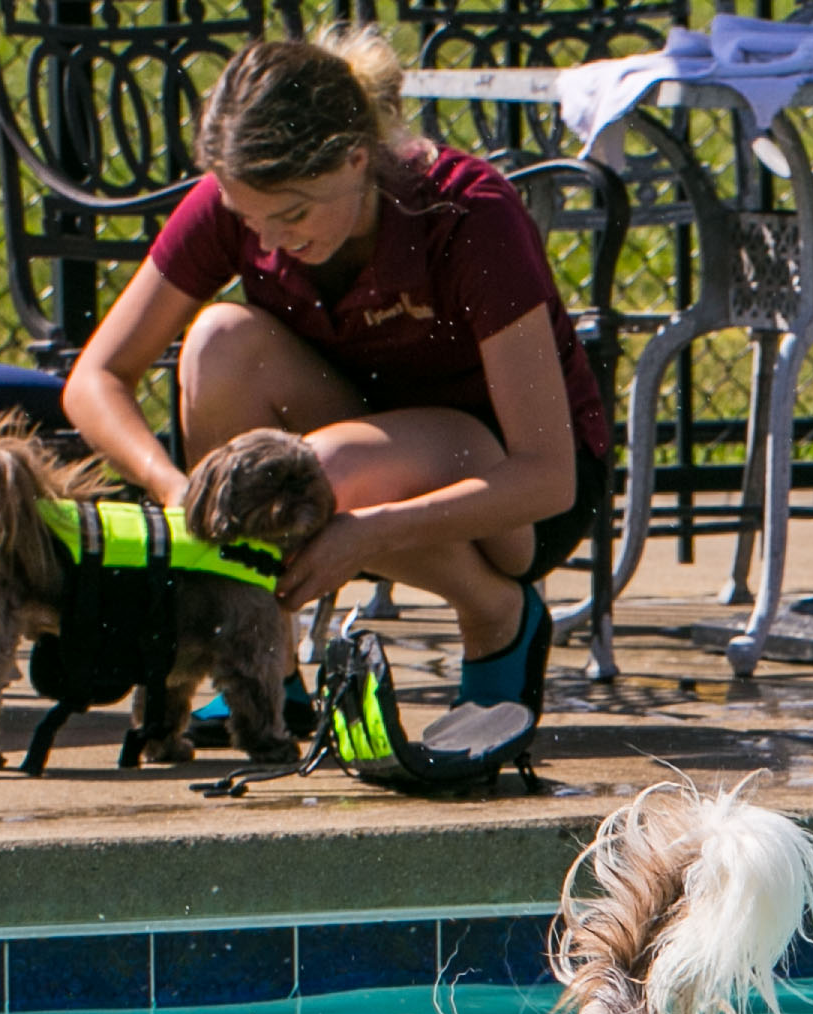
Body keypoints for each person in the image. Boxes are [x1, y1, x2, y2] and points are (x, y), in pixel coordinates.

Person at [60, 29, 610, 723]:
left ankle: (496, 611)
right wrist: (178, 491)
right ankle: (266, 667)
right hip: (358, 448)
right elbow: (95, 379)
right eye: (246, 220)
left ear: (357, 158)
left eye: (293, 214)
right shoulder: (254, 205)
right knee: (220, 343)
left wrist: (370, 533)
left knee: (320, 466)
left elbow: (547, 476)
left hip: (514, 495)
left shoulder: (466, 213)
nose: (269, 242)